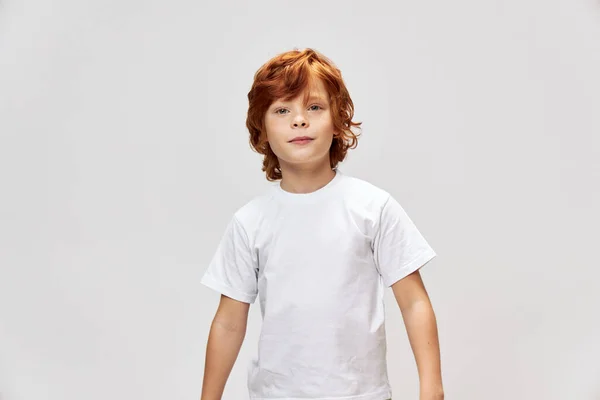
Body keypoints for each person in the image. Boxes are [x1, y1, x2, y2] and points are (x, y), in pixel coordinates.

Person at [200, 48, 443, 400]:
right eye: (282, 110)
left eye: (314, 107)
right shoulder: (250, 222)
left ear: (337, 120)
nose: (299, 120)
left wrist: (431, 389)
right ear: (262, 129)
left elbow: (414, 303)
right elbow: (228, 321)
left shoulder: (373, 208)